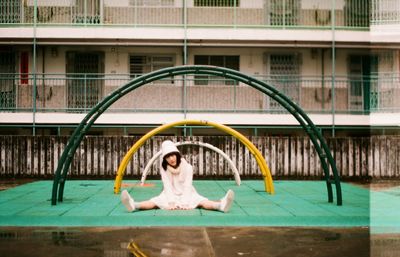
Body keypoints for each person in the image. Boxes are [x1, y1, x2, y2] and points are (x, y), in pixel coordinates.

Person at [121, 140, 234, 213]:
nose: (171, 159)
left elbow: (187, 185)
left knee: (201, 201)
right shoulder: (164, 169)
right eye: (168, 157)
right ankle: (133, 205)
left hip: (187, 193)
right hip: (169, 194)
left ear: (177, 155)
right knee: (154, 202)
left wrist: (185, 202)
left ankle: (221, 205)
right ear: (165, 159)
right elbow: (167, 186)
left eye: (173, 155)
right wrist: (170, 202)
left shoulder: (187, 167)